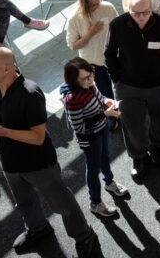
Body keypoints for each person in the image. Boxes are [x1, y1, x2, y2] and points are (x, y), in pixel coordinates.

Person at [0, 48, 100, 256]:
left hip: (38, 164)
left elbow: (38, 137)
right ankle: (38, 229)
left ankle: (84, 235)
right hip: (10, 163)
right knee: (24, 202)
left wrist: (3, 131)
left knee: (61, 204)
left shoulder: (30, 93)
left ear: (6, 68)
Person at [104, 0, 160, 183]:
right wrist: (116, 80)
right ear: (128, 9)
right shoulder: (117, 25)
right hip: (128, 86)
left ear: (152, 8)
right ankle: (139, 157)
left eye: (146, 12)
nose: (142, 17)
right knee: (132, 124)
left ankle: (158, 146)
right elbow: (109, 54)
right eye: (136, 13)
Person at [59, 57, 127, 219]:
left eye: (91, 75)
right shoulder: (73, 99)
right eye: (85, 78)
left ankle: (109, 182)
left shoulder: (88, 85)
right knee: (93, 168)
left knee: (105, 157)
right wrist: (105, 114)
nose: (91, 80)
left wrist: (106, 101)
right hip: (89, 138)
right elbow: (79, 126)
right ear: (73, 80)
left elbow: (99, 97)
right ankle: (95, 203)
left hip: (101, 129)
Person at [65, 0, 120, 130]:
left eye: (98, 3)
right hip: (94, 62)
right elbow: (73, 45)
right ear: (83, 4)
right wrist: (90, 33)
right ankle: (112, 118)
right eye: (92, 5)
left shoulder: (107, 8)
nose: (97, 7)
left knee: (121, 86)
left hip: (114, 57)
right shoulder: (74, 19)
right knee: (105, 91)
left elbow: (119, 27)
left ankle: (125, 111)